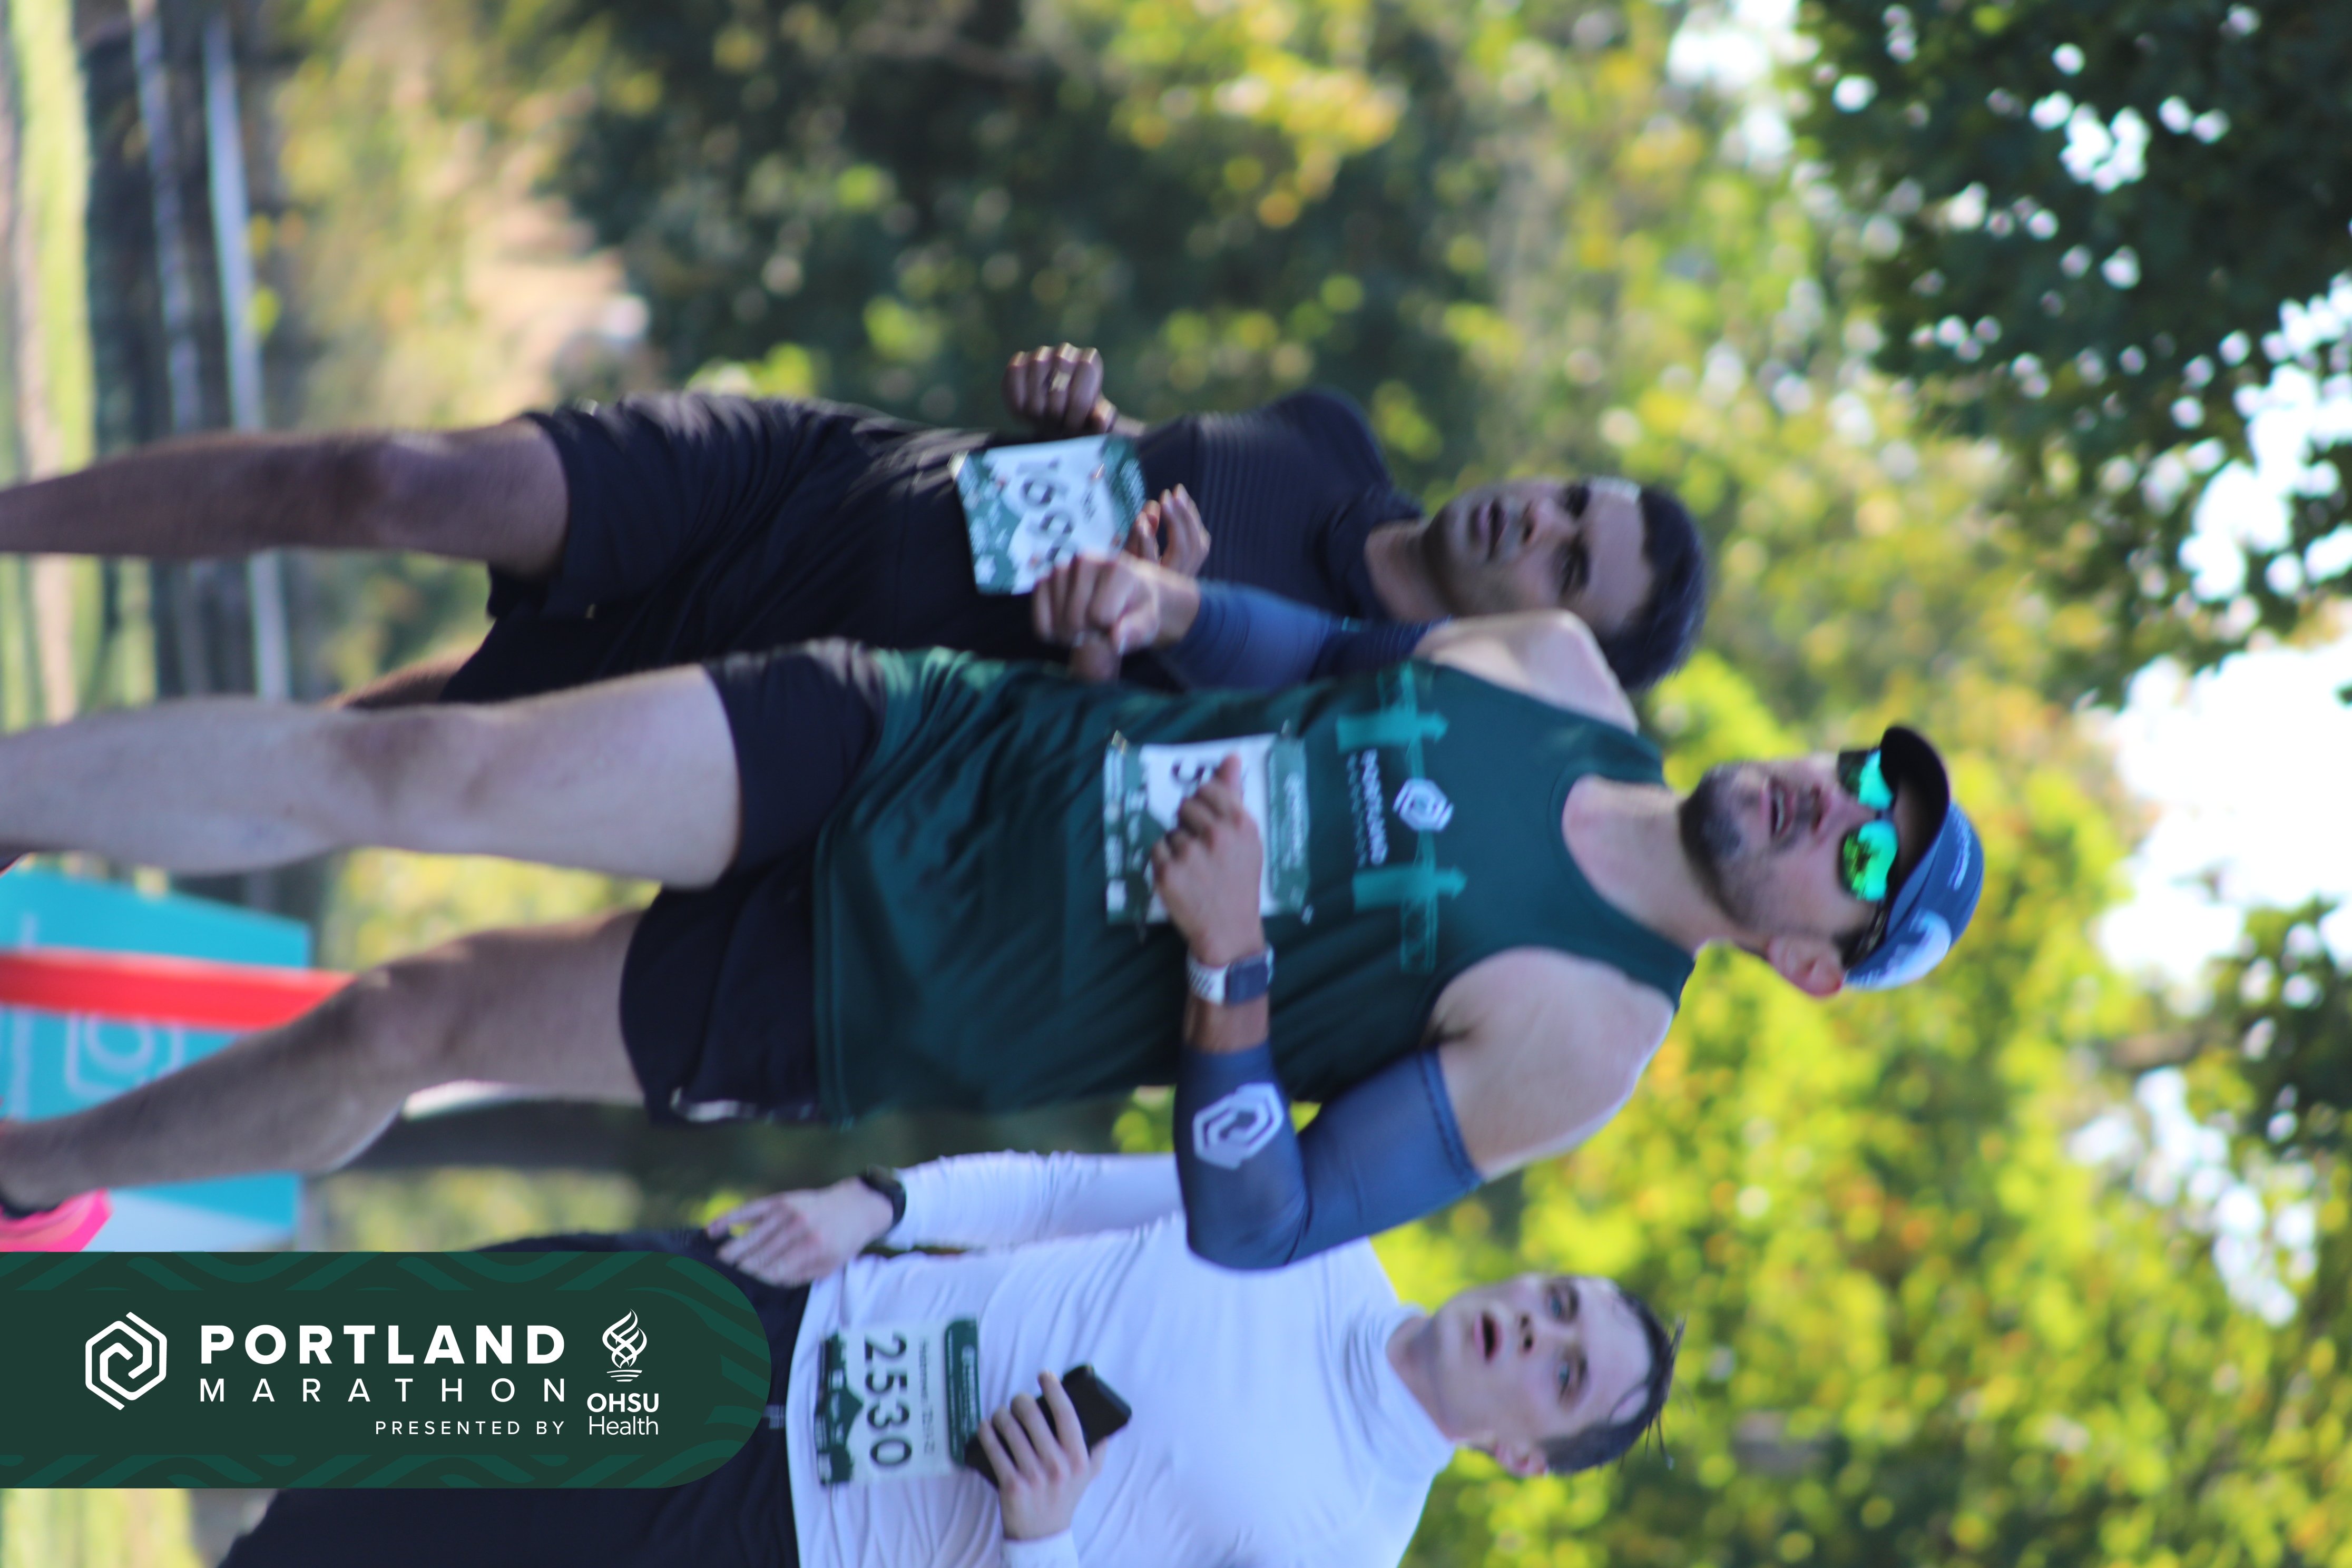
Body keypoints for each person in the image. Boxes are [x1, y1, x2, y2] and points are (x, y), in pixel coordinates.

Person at [0, 591, 1983, 1263]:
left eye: (1867, 856)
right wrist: (1163, 608)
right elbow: (1309, 654)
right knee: (427, 769)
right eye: (1862, 779)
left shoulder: (1591, 1040)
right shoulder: (1550, 662)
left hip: (892, 993)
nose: (1838, 805)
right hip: (932, 743)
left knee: (403, 1025)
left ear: (1811, 964)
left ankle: (30, 1168)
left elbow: (1262, 1224)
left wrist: (1229, 966)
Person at [220, 1150, 1679, 1568]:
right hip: (776, 1316)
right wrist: (886, 1203)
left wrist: (1042, 1537)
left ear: (1524, 1455)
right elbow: (1058, 1190)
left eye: (1564, 1373)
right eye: (1559, 1302)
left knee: (333, 1553)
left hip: (772, 1538)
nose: (1536, 1328)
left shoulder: (1348, 1544)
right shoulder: (1304, 1222)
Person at [0, 346, 1708, 700]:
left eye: (1572, 562)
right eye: (1574, 496)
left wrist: (1144, 629)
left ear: (1553, 638)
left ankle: (40, 807)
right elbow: (1115, 460)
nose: (1538, 517)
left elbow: (1096, 799)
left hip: (796, 680)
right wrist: (1082, 420)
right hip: (817, 475)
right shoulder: (1335, 440)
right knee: (390, 480)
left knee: (384, 741)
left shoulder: (1344, 696)